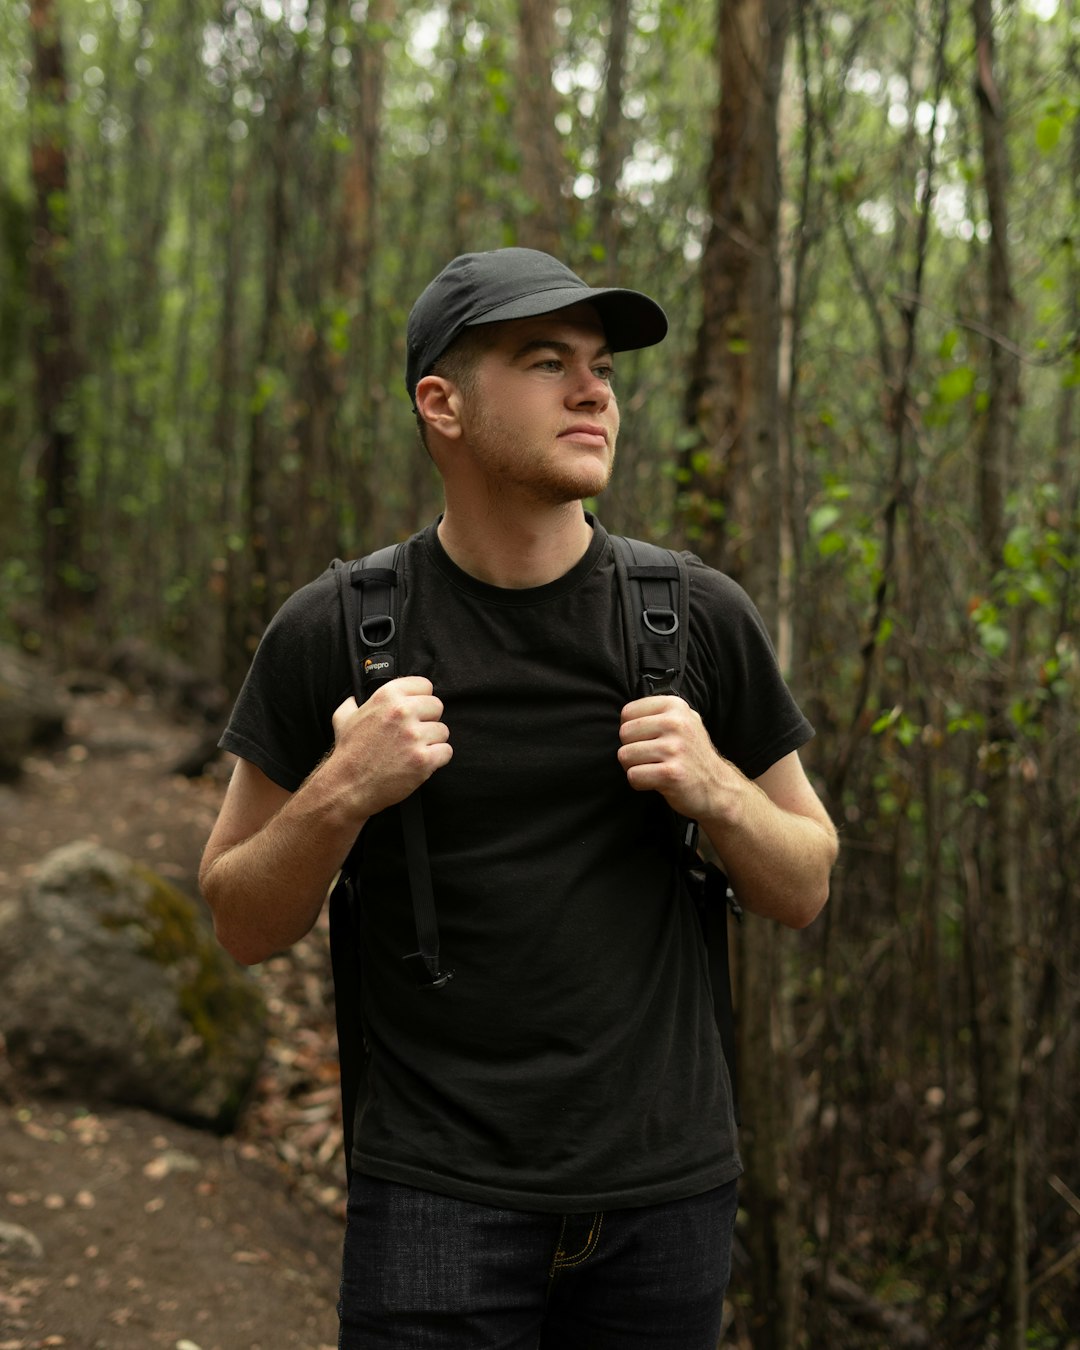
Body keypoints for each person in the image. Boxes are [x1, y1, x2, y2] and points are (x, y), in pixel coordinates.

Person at [199, 247, 838, 1350]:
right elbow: (239, 919)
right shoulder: (336, 632)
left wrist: (722, 793)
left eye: (599, 366)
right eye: (548, 361)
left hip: (666, 1193)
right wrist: (339, 795)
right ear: (441, 405)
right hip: (433, 1195)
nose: (594, 390)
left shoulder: (696, 619)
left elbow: (807, 883)